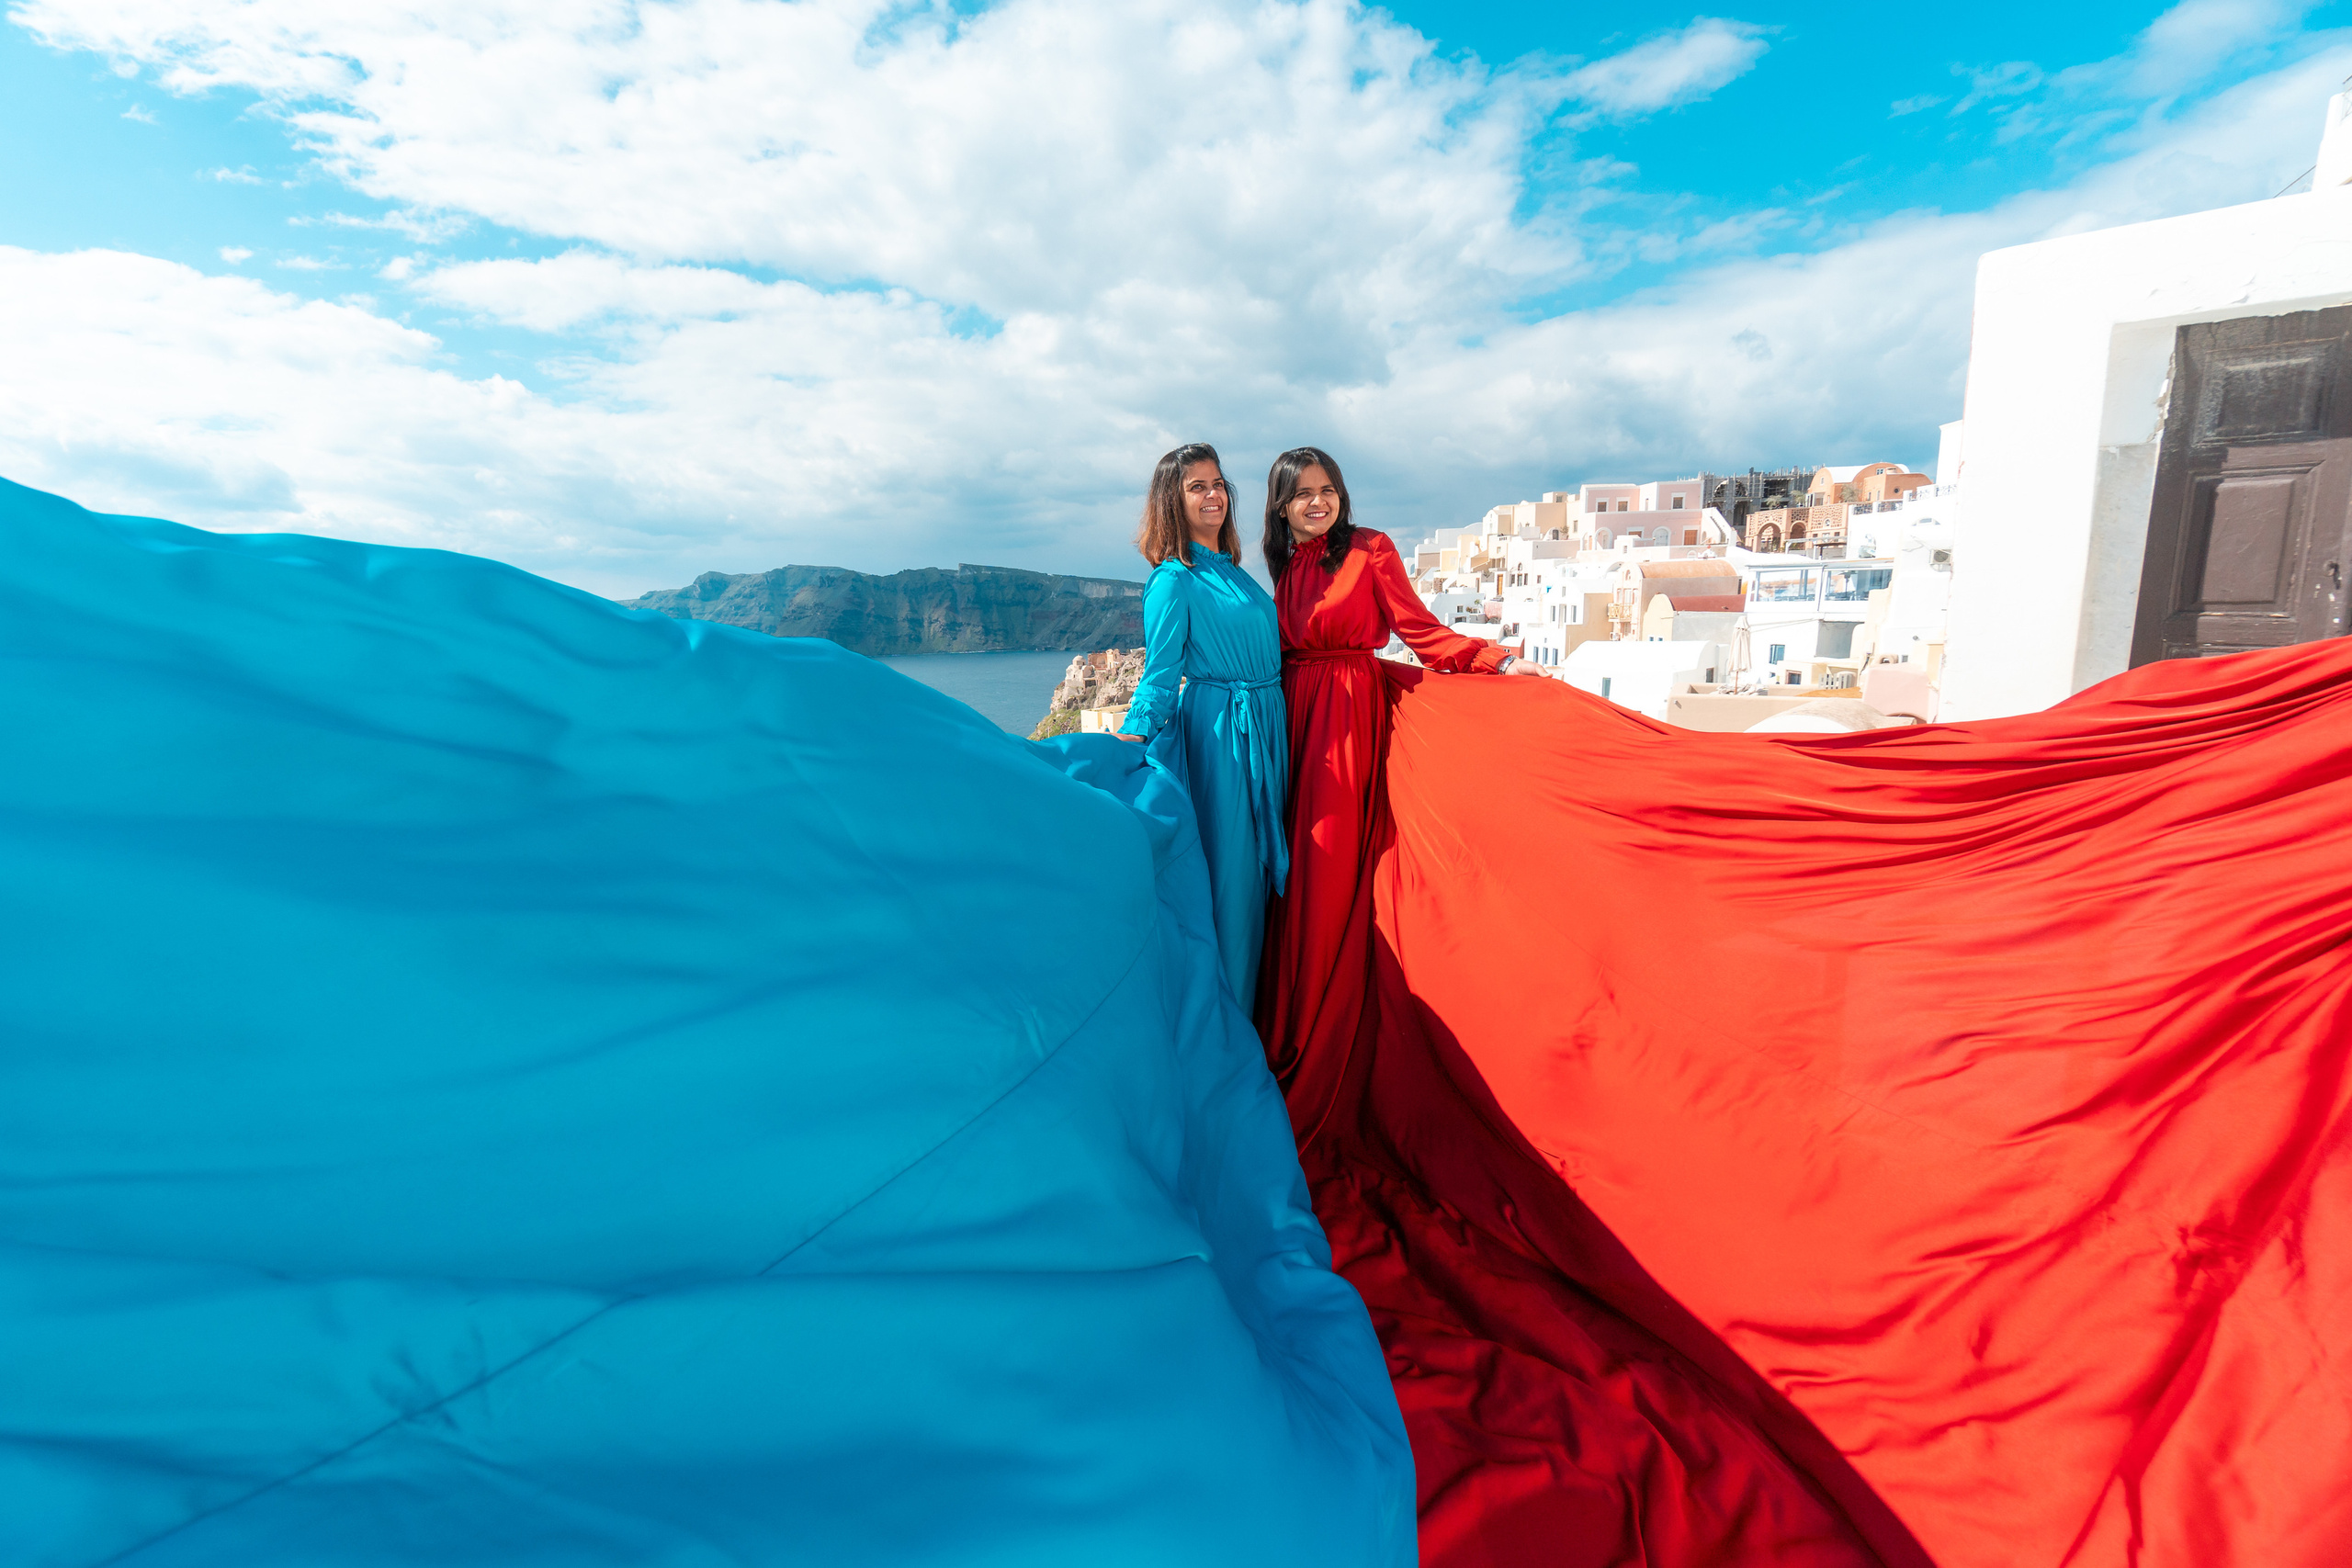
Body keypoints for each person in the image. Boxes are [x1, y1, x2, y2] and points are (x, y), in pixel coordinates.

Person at [1255, 445, 1540, 1098]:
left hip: (1345, 718)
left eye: (1327, 488)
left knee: (1325, 872)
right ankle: (1286, 1019)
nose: (1317, 501)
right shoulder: (1285, 563)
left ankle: (1315, 1037)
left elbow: (1420, 630)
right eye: (1302, 493)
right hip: (1293, 726)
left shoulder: (1371, 548)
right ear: (1281, 505)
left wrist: (1493, 660)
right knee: (1289, 876)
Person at [1114, 444, 1288, 1010]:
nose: (1214, 495)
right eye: (1197, 487)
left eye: (1218, 484)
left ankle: (1267, 1017)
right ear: (1173, 499)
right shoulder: (1173, 579)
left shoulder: (1234, 571)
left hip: (1269, 729)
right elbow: (1160, 675)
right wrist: (1131, 739)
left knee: (1266, 879)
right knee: (1235, 883)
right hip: (1225, 741)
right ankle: (1232, 1027)